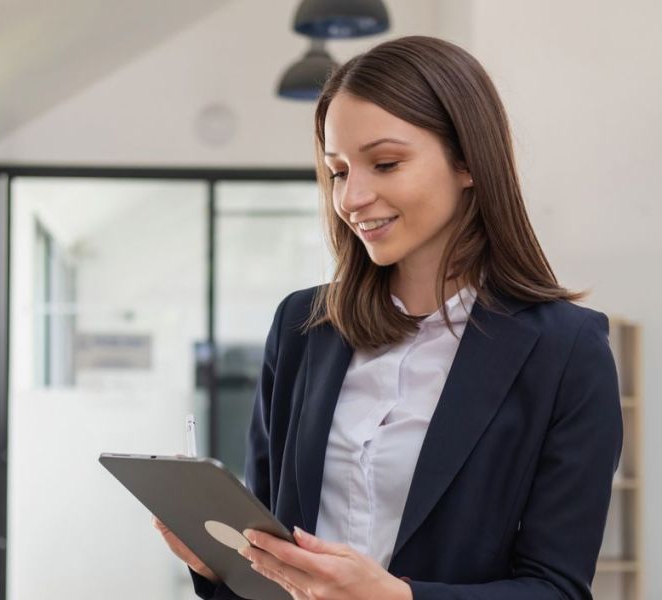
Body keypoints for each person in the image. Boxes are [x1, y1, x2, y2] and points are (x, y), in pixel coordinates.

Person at [153, 35, 622, 600]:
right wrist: (215, 565)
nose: (351, 197)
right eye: (339, 171)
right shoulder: (304, 327)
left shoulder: (566, 350)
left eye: (385, 163)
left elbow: (557, 590)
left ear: (468, 160)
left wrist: (400, 599)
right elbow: (270, 565)